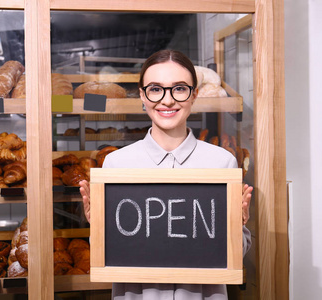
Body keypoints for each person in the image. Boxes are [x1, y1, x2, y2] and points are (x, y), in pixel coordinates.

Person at [79, 49, 253, 300]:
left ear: (193, 95)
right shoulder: (117, 165)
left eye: (179, 88)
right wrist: (99, 229)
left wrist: (238, 228)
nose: (167, 100)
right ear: (143, 95)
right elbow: (111, 254)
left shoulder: (221, 163)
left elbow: (237, 253)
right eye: (155, 89)